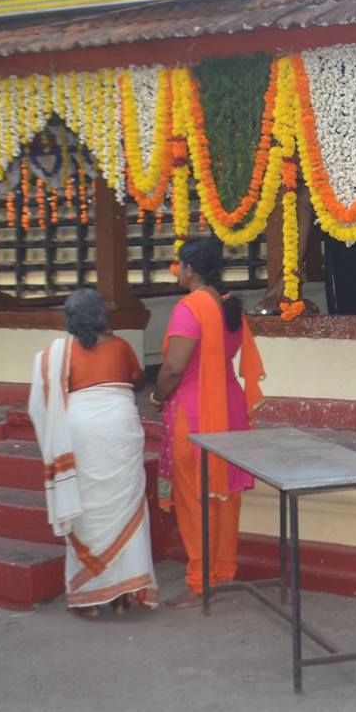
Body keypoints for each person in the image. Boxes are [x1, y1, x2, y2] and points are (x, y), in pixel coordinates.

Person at [29, 288, 158, 616]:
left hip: (80, 430)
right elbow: (138, 382)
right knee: (126, 506)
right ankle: (122, 597)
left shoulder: (60, 354)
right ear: (103, 316)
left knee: (84, 507)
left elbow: (51, 399)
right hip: (120, 427)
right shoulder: (120, 346)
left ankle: (91, 599)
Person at [152, 235, 265, 607]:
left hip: (197, 411)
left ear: (189, 269)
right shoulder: (229, 305)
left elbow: (173, 368)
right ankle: (222, 571)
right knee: (224, 497)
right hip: (228, 408)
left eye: (180, 265)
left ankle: (201, 581)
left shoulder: (190, 308)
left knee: (195, 497)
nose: (178, 271)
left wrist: (156, 396)